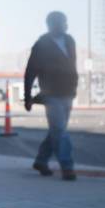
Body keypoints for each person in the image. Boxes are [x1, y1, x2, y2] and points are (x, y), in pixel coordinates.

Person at [24, 11, 78, 181]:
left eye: (65, 21)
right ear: (52, 24)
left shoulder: (69, 41)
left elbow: (72, 65)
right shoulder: (41, 44)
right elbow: (30, 71)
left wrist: (75, 86)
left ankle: (41, 161)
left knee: (57, 131)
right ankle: (67, 166)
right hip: (51, 94)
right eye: (62, 22)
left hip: (68, 93)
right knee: (60, 131)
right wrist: (28, 97)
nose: (65, 25)